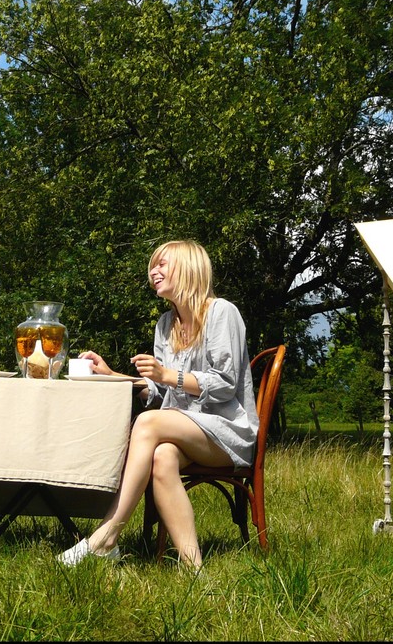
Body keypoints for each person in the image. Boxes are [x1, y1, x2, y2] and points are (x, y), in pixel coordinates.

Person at [58, 239, 257, 570]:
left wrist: (169, 375)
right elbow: (158, 391)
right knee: (163, 456)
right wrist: (110, 374)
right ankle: (194, 570)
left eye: (163, 264)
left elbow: (224, 386)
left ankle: (106, 537)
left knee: (148, 423)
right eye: (153, 265)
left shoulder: (222, 312)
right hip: (186, 430)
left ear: (189, 268)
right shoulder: (166, 324)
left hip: (227, 433)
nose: (154, 270)